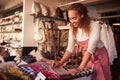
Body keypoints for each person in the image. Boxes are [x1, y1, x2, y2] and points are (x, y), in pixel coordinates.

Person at [52, 3, 112, 80]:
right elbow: (70, 49)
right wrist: (61, 62)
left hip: (99, 56)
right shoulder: (72, 28)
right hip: (88, 57)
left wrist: (80, 68)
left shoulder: (94, 26)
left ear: (82, 15)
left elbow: (90, 50)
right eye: (70, 19)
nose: (72, 21)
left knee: (101, 77)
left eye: (74, 18)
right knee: (90, 76)